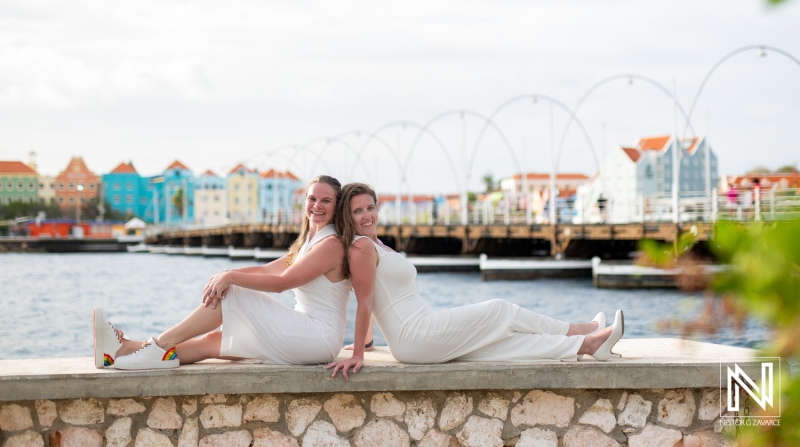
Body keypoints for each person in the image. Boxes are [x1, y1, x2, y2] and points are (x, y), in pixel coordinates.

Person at [327, 183, 624, 380]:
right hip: (414, 335)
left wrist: (365, 343)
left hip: (421, 329)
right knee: (500, 310)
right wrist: (356, 355)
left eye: (370, 207)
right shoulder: (361, 247)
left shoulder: (377, 245)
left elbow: (375, 295)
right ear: (348, 216)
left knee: (504, 344)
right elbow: (364, 299)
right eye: (357, 210)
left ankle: (587, 345)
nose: (366, 215)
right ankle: (579, 329)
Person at [93, 175, 349, 370]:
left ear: (336, 207)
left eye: (326, 200)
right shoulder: (309, 242)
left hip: (318, 337)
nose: (317, 205)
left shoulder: (331, 245)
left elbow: (282, 283)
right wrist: (226, 272)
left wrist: (230, 279)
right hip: (306, 332)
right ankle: (122, 352)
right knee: (215, 341)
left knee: (232, 291)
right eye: (312, 198)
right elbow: (265, 269)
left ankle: (157, 346)